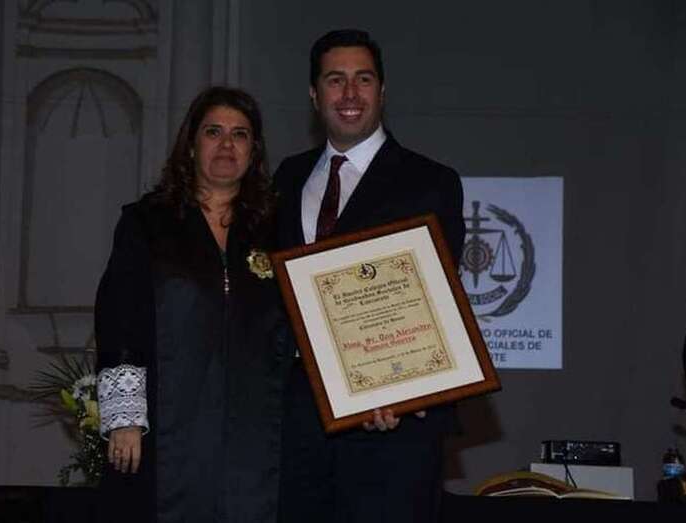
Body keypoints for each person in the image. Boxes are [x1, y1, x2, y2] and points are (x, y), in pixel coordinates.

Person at [273, 29, 466, 522]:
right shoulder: (285, 179)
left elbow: (436, 301)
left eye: (363, 79)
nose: (350, 93)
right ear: (315, 95)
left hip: (392, 428)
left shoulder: (430, 181)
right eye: (335, 80)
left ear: (382, 91)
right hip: (296, 425)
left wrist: (404, 391)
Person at [94, 86, 288, 522]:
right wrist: (125, 417)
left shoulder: (276, 229)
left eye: (239, 135)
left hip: (256, 430)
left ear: (253, 151)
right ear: (192, 143)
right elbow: (118, 318)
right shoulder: (147, 222)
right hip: (169, 427)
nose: (225, 144)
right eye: (213, 131)